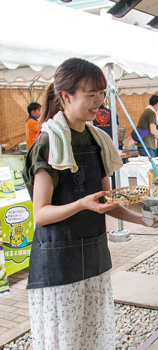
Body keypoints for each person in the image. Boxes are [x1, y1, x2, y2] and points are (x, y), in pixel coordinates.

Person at [23, 58, 148, 350]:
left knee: (94, 338)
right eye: (91, 94)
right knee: (64, 342)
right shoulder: (48, 142)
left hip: (94, 255)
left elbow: (107, 202)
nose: (99, 102)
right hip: (58, 264)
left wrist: (145, 219)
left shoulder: (97, 140)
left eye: (102, 93)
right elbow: (41, 214)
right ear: (66, 96)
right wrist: (81, 204)